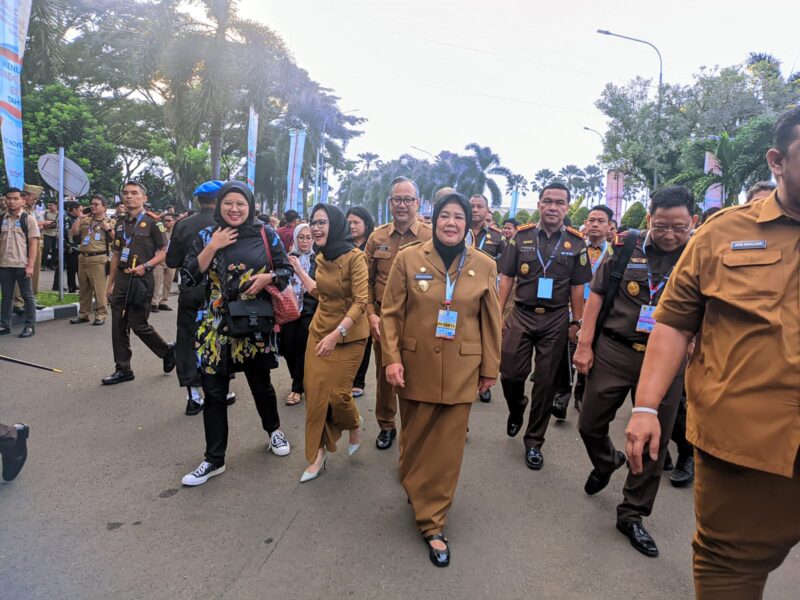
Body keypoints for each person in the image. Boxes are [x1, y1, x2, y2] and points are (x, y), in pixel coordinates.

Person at [625, 108, 800, 597]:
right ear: (777, 161)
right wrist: (645, 409)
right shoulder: (721, 235)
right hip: (743, 451)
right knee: (729, 571)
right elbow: (674, 325)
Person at [573, 186, 697, 558]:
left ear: (692, 221)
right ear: (649, 220)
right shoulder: (627, 245)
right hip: (616, 349)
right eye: (661, 226)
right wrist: (584, 342)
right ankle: (608, 460)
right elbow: (597, 295)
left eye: (679, 226)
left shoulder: (698, 255)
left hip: (668, 361)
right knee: (589, 423)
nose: (670, 234)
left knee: (653, 444)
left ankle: (632, 513)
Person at [381, 192, 502, 567]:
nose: (451, 223)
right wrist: (391, 359)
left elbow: (491, 321)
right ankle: (416, 486)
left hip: (463, 368)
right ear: (434, 221)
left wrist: (490, 369)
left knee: (447, 449)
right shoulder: (408, 258)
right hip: (414, 365)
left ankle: (432, 522)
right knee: (414, 438)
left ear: (468, 224)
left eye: (459, 218)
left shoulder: (484, 264)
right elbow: (390, 314)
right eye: (445, 216)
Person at [180, 181, 292, 486]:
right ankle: (213, 460)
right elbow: (189, 276)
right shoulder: (207, 235)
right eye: (228, 203)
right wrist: (213, 246)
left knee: (261, 385)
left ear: (250, 206)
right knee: (214, 393)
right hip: (215, 326)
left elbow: (286, 272)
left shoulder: (265, 233)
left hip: (254, 321)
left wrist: (268, 276)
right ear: (219, 206)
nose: (234, 209)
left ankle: (274, 431)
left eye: (240, 203)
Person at [497, 182, 591, 470]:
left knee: (546, 383)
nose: (553, 207)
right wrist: (497, 313)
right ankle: (516, 408)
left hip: (555, 318)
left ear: (567, 207)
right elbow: (507, 278)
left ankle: (534, 441)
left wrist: (577, 322)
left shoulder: (576, 243)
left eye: (559, 202)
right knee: (510, 372)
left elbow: (578, 286)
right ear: (539, 204)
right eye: (547, 201)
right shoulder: (521, 237)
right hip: (522, 314)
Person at [299, 203, 369, 482]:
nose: (315, 227)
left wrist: (336, 334)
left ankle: (354, 423)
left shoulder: (355, 258)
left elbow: (361, 301)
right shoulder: (320, 258)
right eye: (313, 222)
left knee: (340, 395)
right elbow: (321, 293)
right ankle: (316, 454)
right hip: (319, 331)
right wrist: (297, 270)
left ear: (336, 225)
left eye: (322, 222)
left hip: (350, 336)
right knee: (315, 394)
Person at [365, 176, 432, 450]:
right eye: (397, 199)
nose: (402, 205)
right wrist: (370, 314)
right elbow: (366, 281)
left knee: (418, 375)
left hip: (420, 321)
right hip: (384, 320)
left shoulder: (431, 236)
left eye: (408, 199)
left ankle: (416, 429)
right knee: (385, 376)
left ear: (417, 202)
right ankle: (387, 425)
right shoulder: (377, 237)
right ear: (390, 203)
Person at [102, 181, 175, 385]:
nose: (129, 196)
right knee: (118, 325)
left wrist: (147, 266)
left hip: (142, 279)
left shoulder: (154, 222)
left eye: (134, 193)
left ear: (144, 198)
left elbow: (163, 252)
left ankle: (167, 351)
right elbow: (116, 255)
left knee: (138, 324)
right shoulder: (119, 223)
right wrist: (110, 284)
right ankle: (123, 369)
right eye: (125, 193)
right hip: (123, 279)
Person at [165, 180, 226, 415]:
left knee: (188, 338)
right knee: (220, 337)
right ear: (220, 200)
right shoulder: (227, 225)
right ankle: (223, 390)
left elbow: (171, 261)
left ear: (199, 201)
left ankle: (193, 396)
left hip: (190, 290)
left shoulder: (182, 225)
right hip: (219, 293)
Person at [553, 204, 615, 415]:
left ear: (610, 226)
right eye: (591, 220)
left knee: (590, 352)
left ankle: (581, 394)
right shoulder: (575, 246)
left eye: (601, 221)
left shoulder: (617, 253)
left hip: (599, 313)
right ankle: (562, 396)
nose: (595, 225)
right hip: (574, 308)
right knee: (567, 351)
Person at [281, 223, 317, 406]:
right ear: (295, 238)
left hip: (309, 310)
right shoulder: (287, 258)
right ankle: (299, 379)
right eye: (301, 237)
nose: (304, 241)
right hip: (288, 309)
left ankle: (297, 388)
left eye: (308, 237)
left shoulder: (319, 259)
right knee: (287, 348)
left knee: (302, 347)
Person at [0, 188, 39, 338]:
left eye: (15, 198)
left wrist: (30, 265)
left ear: (22, 200)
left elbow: (33, 243)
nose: (11, 201)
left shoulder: (27, 219)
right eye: (9, 198)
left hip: (22, 265)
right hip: (4, 264)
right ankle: (4, 324)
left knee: (27, 296)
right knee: (6, 296)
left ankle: (30, 326)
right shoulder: (2, 218)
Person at [70, 195, 114, 325]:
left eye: (96, 204)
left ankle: (101, 315)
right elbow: (74, 232)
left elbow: (117, 239)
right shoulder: (86, 220)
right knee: (83, 288)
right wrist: (79, 218)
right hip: (83, 257)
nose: (92, 206)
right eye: (91, 204)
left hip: (98, 257)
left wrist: (108, 229)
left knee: (99, 289)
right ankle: (84, 314)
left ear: (104, 207)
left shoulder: (110, 221)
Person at [346, 206, 375, 399]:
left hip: (367, 300)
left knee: (364, 340)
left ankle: (358, 381)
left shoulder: (373, 245)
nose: (352, 226)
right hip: (345, 299)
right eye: (349, 223)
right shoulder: (341, 244)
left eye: (356, 222)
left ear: (366, 224)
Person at [151, 213, 176, 312]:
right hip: (159, 259)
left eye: (169, 220)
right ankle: (154, 302)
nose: (166, 222)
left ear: (174, 221)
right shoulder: (160, 231)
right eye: (165, 220)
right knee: (157, 281)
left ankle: (163, 301)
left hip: (171, 259)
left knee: (168, 282)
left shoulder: (177, 231)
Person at [467, 194, 503, 260]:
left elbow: (504, 262)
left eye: (479, 207)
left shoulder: (497, 235)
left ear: (487, 210)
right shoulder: (460, 231)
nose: (475, 210)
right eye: (472, 206)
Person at [41, 200, 59, 269]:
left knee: (55, 250)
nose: (49, 207)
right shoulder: (46, 213)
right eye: (48, 205)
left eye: (51, 205)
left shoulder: (59, 214)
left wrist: (58, 233)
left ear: (56, 205)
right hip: (46, 233)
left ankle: (52, 265)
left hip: (55, 234)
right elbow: (42, 222)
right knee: (46, 249)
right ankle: (43, 265)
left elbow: (59, 224)